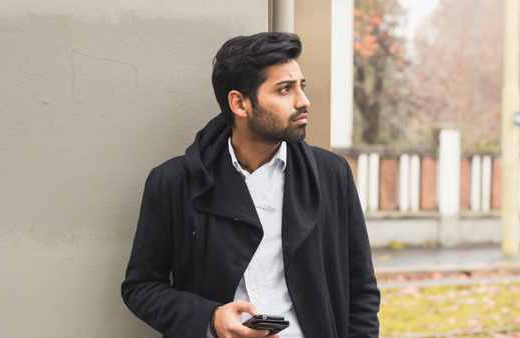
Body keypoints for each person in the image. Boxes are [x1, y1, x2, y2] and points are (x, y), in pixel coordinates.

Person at [121, 32, 380, 338]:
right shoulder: (172, 183)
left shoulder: (332, 174)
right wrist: (211, 318)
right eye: (284, 90)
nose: (303, 101)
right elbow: (141, 287)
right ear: (240, 104)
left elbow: (361, 290)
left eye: (301, 86)